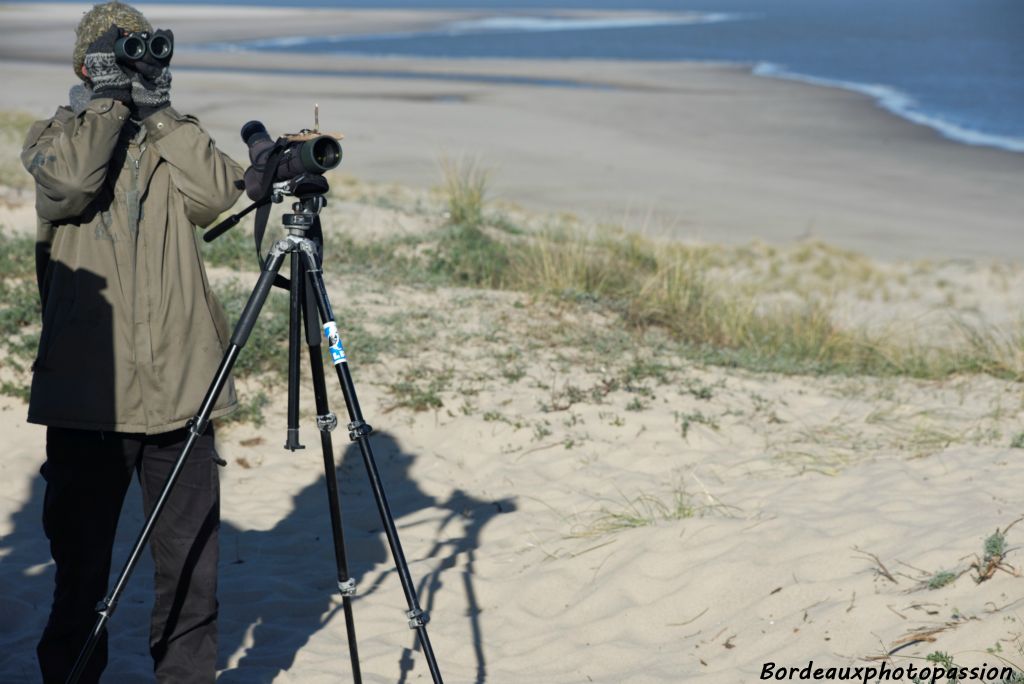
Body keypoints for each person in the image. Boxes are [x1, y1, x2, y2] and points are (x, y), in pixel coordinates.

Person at [21, 2, 244, 681]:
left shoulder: (172, 138)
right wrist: (110, 104)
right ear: (89, 67)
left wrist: (159, 111)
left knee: (189, 579)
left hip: (183, 396)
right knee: (81, 577)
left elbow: (215, 197)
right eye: (117, 53)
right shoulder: (53, 136)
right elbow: (70, 184)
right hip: (92, 397)